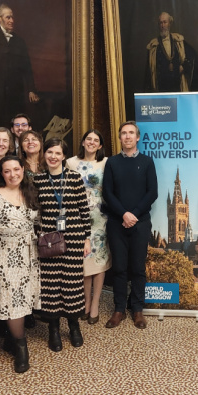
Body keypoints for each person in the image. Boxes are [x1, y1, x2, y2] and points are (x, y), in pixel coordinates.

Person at [33, 138, 91, 351]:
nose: (53, 157)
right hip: (48, 240)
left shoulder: (74, 178)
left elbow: (84, 210)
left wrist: (86, 238)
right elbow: (35, 212)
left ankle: (74, 326)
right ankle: (54, 329)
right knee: (51, 285)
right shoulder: (38, 180)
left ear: (64, 156)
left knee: (72, 283)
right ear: (44, 154)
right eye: (49, 152)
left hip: (74, 237)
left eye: (57, 153)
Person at [0, 156, 41, 373]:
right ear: (1, 173)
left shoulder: (30, 192)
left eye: (16, 169)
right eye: (7, 171)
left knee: (22, 295)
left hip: (28, 252)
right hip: (1, 253)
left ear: (22, 170)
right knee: (11, 297)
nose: (12, 174)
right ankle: (21, 346)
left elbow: (38, 221)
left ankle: (11, 339)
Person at [103, 121, 158, 329]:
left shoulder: (147, 162)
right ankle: (119, 309)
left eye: (131, 133)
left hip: (140, 223)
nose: (127, 136)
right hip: (117, 223)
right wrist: (124, 214)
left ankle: (137, 309)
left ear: (138, 138)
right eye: (123, 133)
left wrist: (133, 214)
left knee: (137, 268)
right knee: (118, 268)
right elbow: (107, 193)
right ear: (120, 138)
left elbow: (152, 192)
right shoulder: (112, 163)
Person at [66, 130, 111, 324]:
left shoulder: (106, 162)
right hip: (78, 217)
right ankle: (84, 303)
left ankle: (95, 305)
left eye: (96, 140)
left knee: (99, 261)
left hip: (100, 218)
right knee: (84, 261)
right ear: (83, 142)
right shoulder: (71, 163)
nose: (92, 142)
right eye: (89, 139)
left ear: (100, 145)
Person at [0, 4, 39, 128]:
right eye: (8, 17)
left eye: (12, 18)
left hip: (16, 92)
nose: (11, 21)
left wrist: (31, 89)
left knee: (16, 123)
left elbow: (27, 68)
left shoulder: (19, 41)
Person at [144, 12, 198, 92]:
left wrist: (183, 66)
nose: (163, 26)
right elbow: (149, 73)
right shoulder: (153, 47)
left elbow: (192, 56)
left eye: (165, 22)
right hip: (162, 88)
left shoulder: (179, 41)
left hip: (178, 87)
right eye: (161, 23)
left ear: (170, 24)